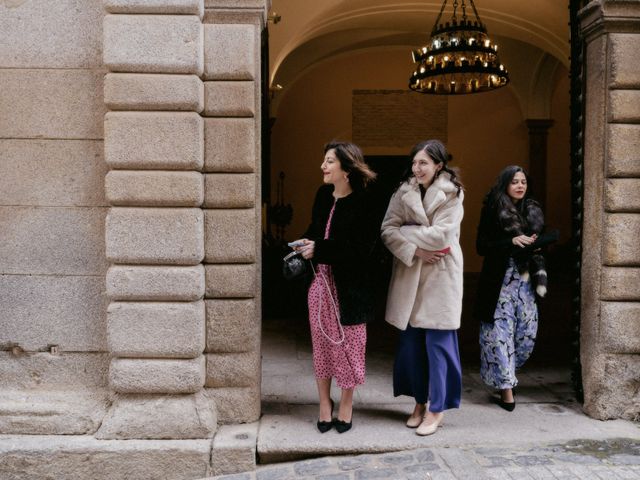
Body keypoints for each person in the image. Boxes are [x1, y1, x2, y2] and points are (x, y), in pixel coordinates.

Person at [291, 141, 378, 434]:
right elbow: (315, 231)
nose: (323, 166)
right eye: (324, 160)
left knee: (350, 347)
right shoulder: (322, 195)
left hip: (350, 288)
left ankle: (346, 405)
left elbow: (361, 249)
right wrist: (304, 243)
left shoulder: (365, 201)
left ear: (346, 168)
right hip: (320, 284)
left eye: (329, 161)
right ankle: (324, 404)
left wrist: (321, 249)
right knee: (322, 347)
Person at [381, 139, 464, 436]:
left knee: (438, 345)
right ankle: (419, 403)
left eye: (424, 163)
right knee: (411, 346)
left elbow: (442, 237)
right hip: (411, 272)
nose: (417, 168)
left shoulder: (453, 194)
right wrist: (414, 249)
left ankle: (436, 409)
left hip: (441, 277)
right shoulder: (403, 192)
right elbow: (387, 230)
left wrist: (408, 230)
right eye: (415, 162)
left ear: (439, 165)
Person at [475, 165, 554, 411]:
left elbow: (542, 242)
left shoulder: (533, 211)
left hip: (527, 282)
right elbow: (481, 246)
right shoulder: (493, 209)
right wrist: (510, 241)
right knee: (499, 336)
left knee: (526, 336)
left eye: (523, 182)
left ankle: (505, 374)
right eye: (514, 182)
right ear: (504, 185)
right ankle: (506, 389)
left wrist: (537, 246)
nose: (520, 186)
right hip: (499, 282)